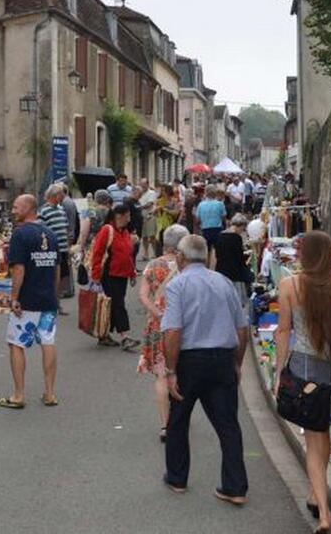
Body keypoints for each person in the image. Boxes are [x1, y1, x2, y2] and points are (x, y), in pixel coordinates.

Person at [273, 231, 331, 533]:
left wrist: (279, 369)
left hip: (305, 371)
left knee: (313, 440)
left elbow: (283, 332)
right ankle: (314, 494)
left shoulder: (289, 285)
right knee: (322, 434)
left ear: (304, 255)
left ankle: (324, 512)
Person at [161, 234, 250, 505]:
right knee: (228, 425)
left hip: (190, 361)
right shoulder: (223, 282)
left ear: (180, 257)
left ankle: (177, 478)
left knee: (178, 420)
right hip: (222, 358)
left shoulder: (177, 285)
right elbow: (242, 328)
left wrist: (171, 369)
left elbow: (173, 330)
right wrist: (237, 362)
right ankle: (235, 487)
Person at [0, 195, 60, 409]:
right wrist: (54, 293)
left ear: (28, 208)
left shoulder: (20, 234)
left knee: (16, 343)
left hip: (28, 300)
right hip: (48, 298)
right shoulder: (51, 234)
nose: (13, 210)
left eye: (16, 207)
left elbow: (19, 269)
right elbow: (57, 268)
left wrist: (14, 297)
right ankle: (50, 393)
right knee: (48, 342)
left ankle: (18, 395)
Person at [138, 224, 189, 442]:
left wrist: (158, 314)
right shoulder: (186, 267)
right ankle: (180, 419)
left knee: (161, 373)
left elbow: (143, 295)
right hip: (183, 325)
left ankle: (165, 425)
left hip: (158, 325)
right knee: (181, 372)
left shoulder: (153, 265)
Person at [89, 202, 140, 351]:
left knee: (111, 306)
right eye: (127, 216)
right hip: (109, 275)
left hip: (121, 275)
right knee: (118, 305)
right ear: (119, 216)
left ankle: (104, 335)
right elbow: (97, 254)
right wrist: (96, 277)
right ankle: (125, 336)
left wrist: (132, 273)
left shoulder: (124, 232)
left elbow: (128, 255)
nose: (129, 219)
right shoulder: (107, 230)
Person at [38, 185, 71, 313]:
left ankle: (57, 303)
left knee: (62, 277)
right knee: (51, 278)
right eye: (61, 195)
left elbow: (66, 228)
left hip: (63, 249)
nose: (62, 197)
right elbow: (41, 232)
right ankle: (50, 303)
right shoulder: (43, 211)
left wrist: (68, 247)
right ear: (54, 195)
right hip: (51, 250)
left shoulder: (61, 209)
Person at [215, 214, 253, 305]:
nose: (242, 231)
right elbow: (239, 257)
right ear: (241, 226)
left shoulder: (220, 235)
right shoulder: (236, 238)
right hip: (234, 272)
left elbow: (216, 254)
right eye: (243, 229)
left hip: (221, 269)